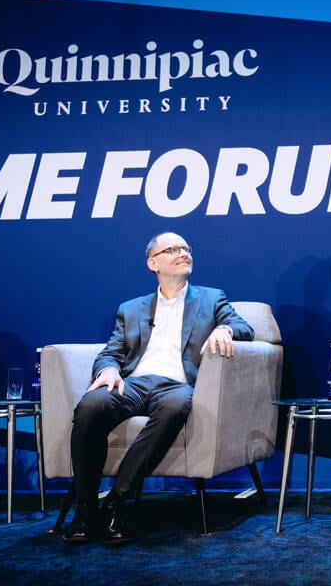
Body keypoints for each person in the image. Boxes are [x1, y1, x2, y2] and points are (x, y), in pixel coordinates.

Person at [62, 232, 254, 545]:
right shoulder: (131, 308)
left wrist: (225, 328)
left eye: (186, 248)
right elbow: (112, 351)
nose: (183, 253)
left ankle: (116, 501)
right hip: (134, 383)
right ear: (153, 263)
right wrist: (109, 368)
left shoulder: (211, 298)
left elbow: (245, 327)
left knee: (177, 406)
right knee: (90, 406)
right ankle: (85, 508)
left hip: (177, 385)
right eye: (172, 249)